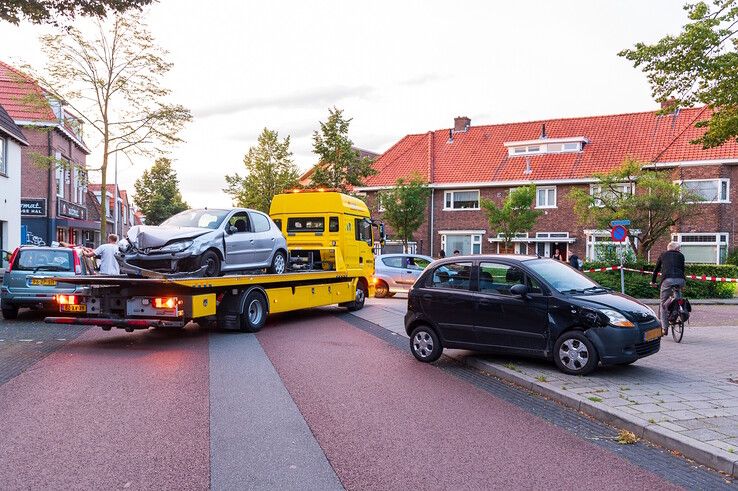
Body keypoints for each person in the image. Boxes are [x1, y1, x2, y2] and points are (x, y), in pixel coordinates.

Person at [651, 241, 686, 335]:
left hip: (667, 280)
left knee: (663, 302)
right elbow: (682, 269)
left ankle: (664, 328)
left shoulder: (663, 255)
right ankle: (678, 308)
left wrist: (653, 281)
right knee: (678, 298)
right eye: (678, 249)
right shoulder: (681, 256)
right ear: (675, 249)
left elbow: (656, 269)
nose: (679, 250)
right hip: (681, 280)